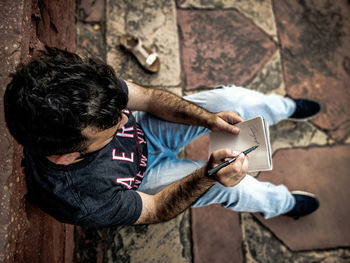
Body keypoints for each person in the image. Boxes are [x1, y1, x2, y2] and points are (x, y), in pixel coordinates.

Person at [4, 48, 320, 228]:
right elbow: (154, 209)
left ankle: (284, 107)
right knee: (237, 187)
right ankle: (283, 203)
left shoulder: (86, 90)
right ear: (68, 156)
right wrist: (209, 176)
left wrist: (207, 119)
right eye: (112, 128)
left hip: (150, 131)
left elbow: (151, 100)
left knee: (233, 102)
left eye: (119, 111)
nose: (125, 118)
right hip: (143, 183)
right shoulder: (79, 200)